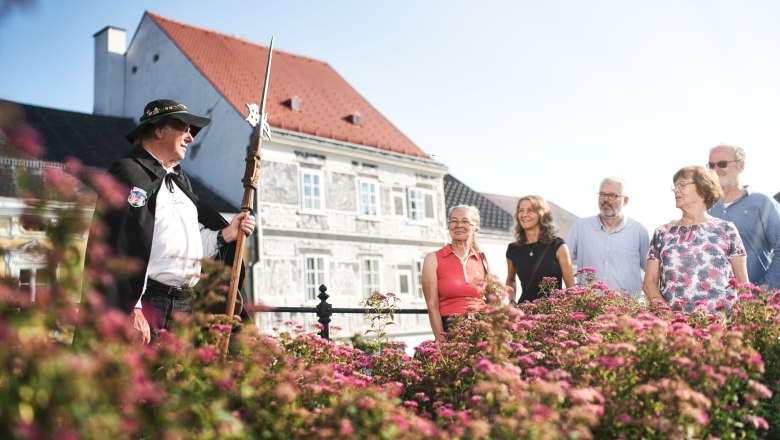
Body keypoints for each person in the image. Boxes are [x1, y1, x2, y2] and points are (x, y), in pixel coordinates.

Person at [86, 99, 256, 343]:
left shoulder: (179, 181)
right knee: (146, 379)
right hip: (149, 303)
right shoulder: (129, 173)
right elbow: (118, 245)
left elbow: (189, 243)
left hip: (184, 304)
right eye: (184, 129)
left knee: (177, 378)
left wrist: (225, 234)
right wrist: (132, 308)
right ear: (158, 129)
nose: (190, 138)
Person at [643, 166, 748, 312]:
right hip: (674, 328)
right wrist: (669, 319)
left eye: (683, 185)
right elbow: (649, 282)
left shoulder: (727, 229)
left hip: (720, 326)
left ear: (703, 189)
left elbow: (743, 283)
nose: (676, 190)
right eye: (675, 186)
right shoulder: (662, 232)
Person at [707, 145, 780, 289]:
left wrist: (764, 290)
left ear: (741, 165)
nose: (716, 169)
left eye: (722, 164)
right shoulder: (705, 207)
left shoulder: (763, 203)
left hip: (752, 306)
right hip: (711, 305)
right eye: (711, 165)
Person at [567, 177, 650, 294]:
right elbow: (565, 263)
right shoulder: (581, 227)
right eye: (602, 194)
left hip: (627, 308)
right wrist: (572, 293)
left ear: (625, 200)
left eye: (612, 195)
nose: (605, 199)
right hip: (588, 307)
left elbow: (650, 271)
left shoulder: (639, 230)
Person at [422, 205, 488, 343]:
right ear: (448, 226)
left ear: (476, 228)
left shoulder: (482, 258)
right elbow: (432, 304)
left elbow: (492, 299)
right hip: (452, 327)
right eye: (454, 221)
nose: (459, 225)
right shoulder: (433, 259)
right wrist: (440, 339)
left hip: (483, 325)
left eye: (465, 221)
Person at [506, 195, 575, 303]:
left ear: (541, 214)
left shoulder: (558, 246)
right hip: (524, 315)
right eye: (521, 210)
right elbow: (510, 280)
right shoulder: (513, 249)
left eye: (530, 210)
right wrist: (511, 301)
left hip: (553, 315)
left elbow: (571, 288)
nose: (524, 215)